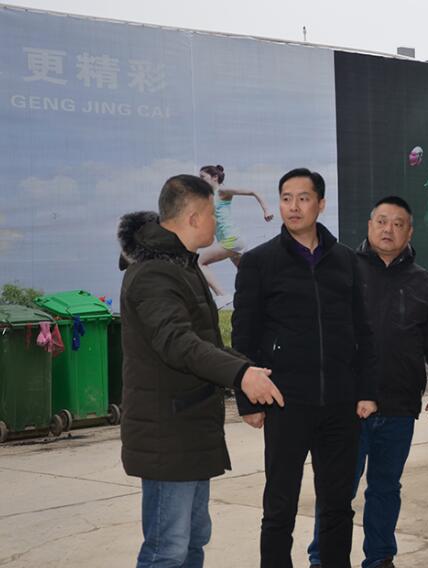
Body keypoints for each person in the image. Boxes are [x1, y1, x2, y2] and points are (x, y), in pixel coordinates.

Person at [117, 174, 284, 568]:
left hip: (189, 428)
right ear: (193, 218)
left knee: (193, 541)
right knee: (167, 549)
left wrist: (247, 368)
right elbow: (178, 343)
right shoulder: (154, 274)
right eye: (212, 214)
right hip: (168, 433)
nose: (216, 223)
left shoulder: (182, 267)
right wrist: (241, 375)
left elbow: (205, 342)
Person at [232, 167, 378, 568]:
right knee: (280, 505)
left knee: (337, 504)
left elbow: (363, 331)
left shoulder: (346, 261)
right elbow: (244, 335)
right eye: (286, 198)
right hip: (285, 401)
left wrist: (367, 390)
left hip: (340, 404)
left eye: (303, 198)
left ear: (321, 204)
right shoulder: (259, 262)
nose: (293, 207)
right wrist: (247, 401)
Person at [307, 196, 428, 568]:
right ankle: (323, 559)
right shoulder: (342, 272)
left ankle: (379, 557)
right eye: (382, 221)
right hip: (347, 406)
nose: (388, 229)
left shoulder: (425, 283)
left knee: (386, 488)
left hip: (399, 406)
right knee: (337, 490)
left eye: (398, 223)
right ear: (369, 225)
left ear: (410, 232)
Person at [198, 164, 274, 296]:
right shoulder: (210, 196)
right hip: (232, 241)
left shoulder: (223, 191)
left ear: (215, 177)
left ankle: (222, 296)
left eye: (202, 177)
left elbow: (253, 191)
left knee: (198, 261)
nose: (200, 180)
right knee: (248, 279)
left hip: (231, 240)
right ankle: (269, 298)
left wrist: (266, 210)